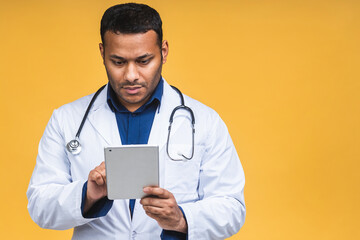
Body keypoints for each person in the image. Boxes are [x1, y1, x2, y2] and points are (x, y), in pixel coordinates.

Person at [27, 3, 246, 240]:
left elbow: (232, 207)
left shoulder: (205, 121)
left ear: (163, 51)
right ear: (102, 53)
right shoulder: (66, 119)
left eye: (143, 61)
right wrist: (88, 194)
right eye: (118, 62)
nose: (131, 75)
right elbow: (39, 205)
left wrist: (181, 218)